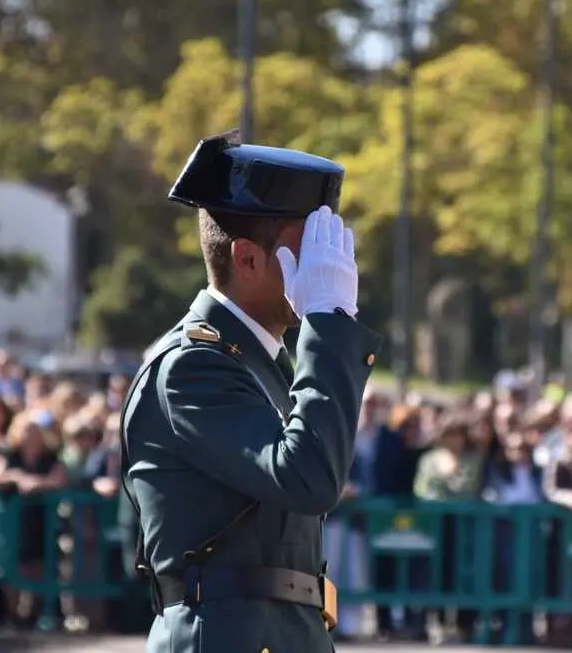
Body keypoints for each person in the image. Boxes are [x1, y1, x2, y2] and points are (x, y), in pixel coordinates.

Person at [122, 130, 381, 653]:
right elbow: (308, 478)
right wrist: (327, 323)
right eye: (308, 249)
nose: (326, 265)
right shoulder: (193, 366)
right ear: (246, 258)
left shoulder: (264, 363)